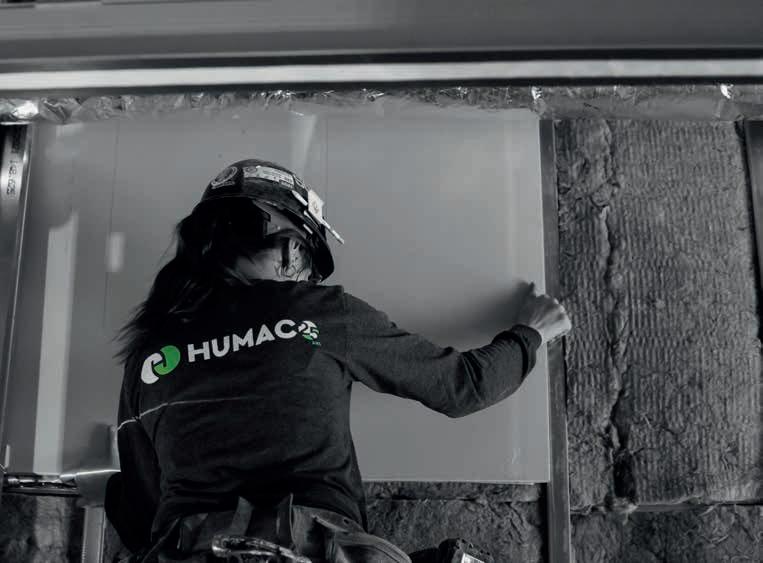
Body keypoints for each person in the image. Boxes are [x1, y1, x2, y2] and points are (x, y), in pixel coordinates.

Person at [104, 158, 572, 563]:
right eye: (309, 265)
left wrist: (106, 493)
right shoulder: (317, 313)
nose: (306, 278)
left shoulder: (148, 355)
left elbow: (142, 515)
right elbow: (464, 386)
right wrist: (531, 333)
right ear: (290, 249)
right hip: (310, 545)